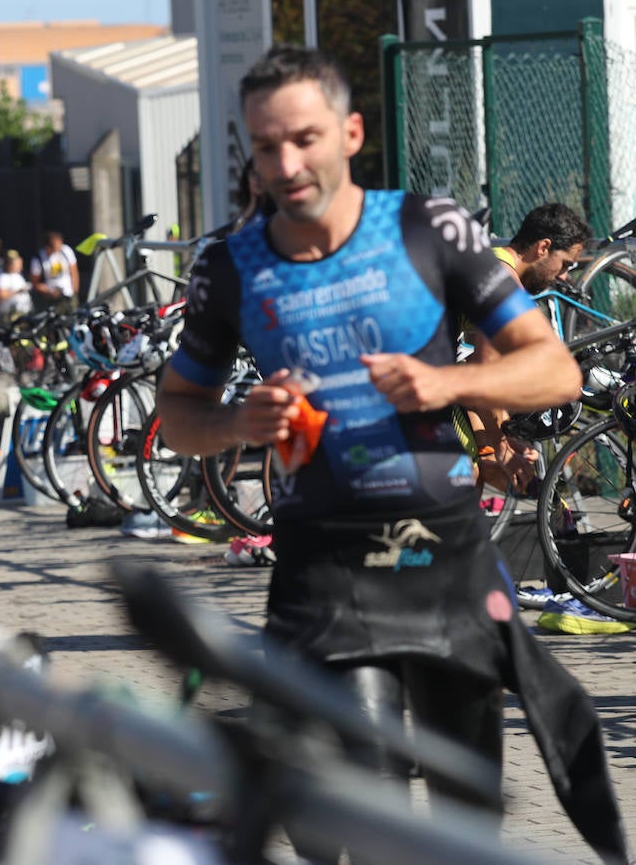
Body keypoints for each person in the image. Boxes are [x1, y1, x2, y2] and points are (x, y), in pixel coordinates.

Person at [154, 45, 624, 862]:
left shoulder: (427, 228)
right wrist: (237, 424)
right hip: (325, 574)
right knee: (361, 823)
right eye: (266, 147)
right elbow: (178, 417)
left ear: (351, 132)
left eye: (305, 138)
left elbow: (553, 369)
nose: (287, 163)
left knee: (459, 826)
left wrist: (444, 385)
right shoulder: (229, 269)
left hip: (446, 566)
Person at [466, 202, 589, 494]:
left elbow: (468, 366)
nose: (564, 276)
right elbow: (484, 374)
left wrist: (503, 439)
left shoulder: (490, 263)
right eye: (566, 264)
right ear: (543, 247)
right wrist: (501, 450)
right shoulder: (504, 284)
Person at [30, 230, 80, 311]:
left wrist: (75, 291)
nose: (59, 247)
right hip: (51, 299)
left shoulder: (66, 251)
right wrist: (49, 291)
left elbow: (74, 272)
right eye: (56, 245)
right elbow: (35, 282)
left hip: (68, 295)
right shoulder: (38, 259)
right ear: (48, 246)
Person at [0, 249, 32, 320]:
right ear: (10, 265)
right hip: (11, 314)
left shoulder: (19, 276)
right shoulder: (4, 277)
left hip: (23, 312)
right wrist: (18, 291)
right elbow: (1, 295)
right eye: (18, 263)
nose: (21, 266)